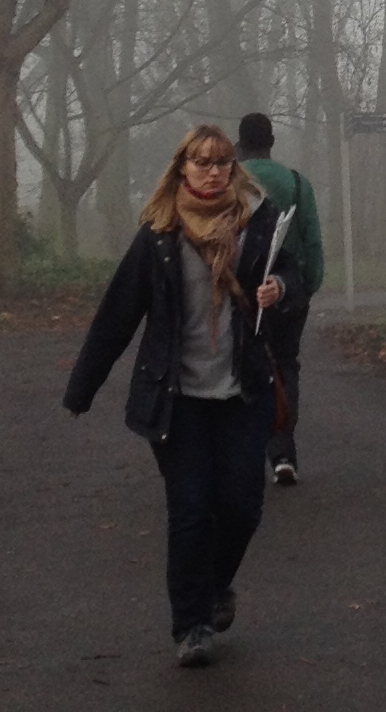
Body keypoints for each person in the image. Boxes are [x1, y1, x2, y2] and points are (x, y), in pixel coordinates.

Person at [62, 124, 290, 667]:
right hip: (178, 398)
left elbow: (293, 274)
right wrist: (82, 388)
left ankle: (213, 590)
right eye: (201, 162)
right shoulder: (158, 235)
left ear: (234, 169)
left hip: (242, 393)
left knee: (241, 508)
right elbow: (117, 315)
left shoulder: (256, 226)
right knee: (190, 511)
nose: (213, 171)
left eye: (223, 163)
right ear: (181, 168)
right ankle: (191, 626)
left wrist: (279, 288)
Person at [235, 110, 324, 482]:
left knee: (241, 368)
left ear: (240, 145)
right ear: (271, 143)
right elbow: (312, 243)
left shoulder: (230, 181)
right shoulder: (298, 184)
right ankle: (283, 454)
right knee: (285, 365)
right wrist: (307, 287)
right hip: (288, 293)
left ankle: (243, 454)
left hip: (241, 293)